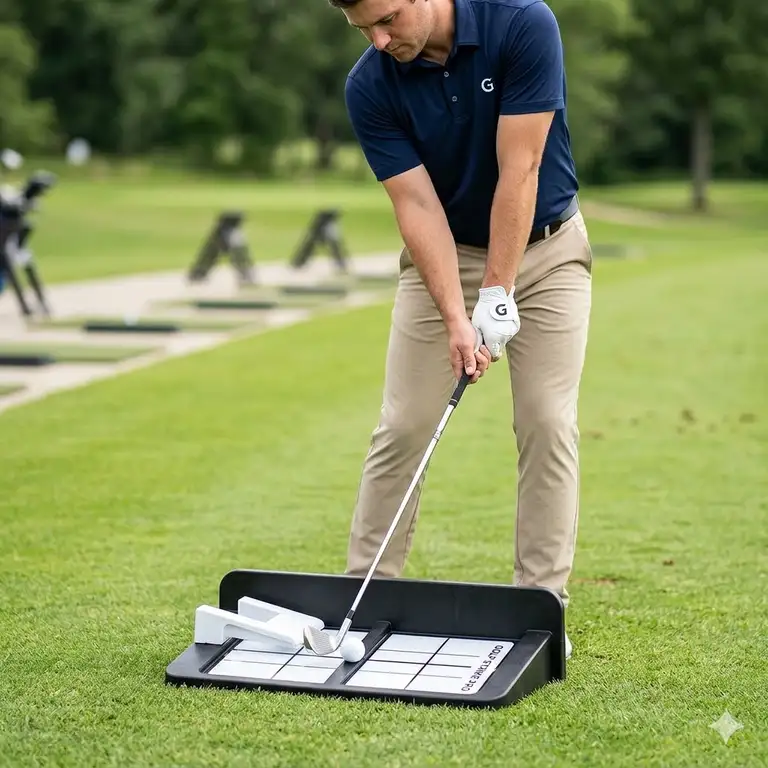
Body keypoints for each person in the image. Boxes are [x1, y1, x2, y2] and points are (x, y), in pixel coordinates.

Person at [331, 0, 593, 658]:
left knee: (546, 420)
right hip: (442, 260)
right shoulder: (370, 85)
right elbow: (416, 205)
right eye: (363, 27)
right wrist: (457, 314)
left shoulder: (523, 24)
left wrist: (498, 294)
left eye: (387, 18)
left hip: (549, 249)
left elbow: (521, 169)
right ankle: (364, 596)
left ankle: (543, 609)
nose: (379, 38)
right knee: (404, 423)